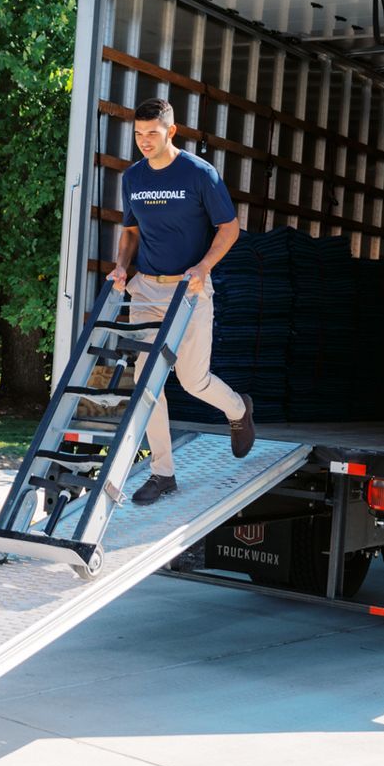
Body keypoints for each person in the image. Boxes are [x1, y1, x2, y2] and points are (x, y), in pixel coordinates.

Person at [107, 97, 256, 503]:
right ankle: (163, 473)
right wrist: (122, 266)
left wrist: (204, 267)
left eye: (152, 134)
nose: (144, 142)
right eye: (138, 135)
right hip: (148, 291)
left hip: (189, 291)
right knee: (146, 383)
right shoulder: (134, 177)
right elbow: (131, 232)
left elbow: (229, 228)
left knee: (193, 380)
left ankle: (239, 410)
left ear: (171, 131)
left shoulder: (199, 174)